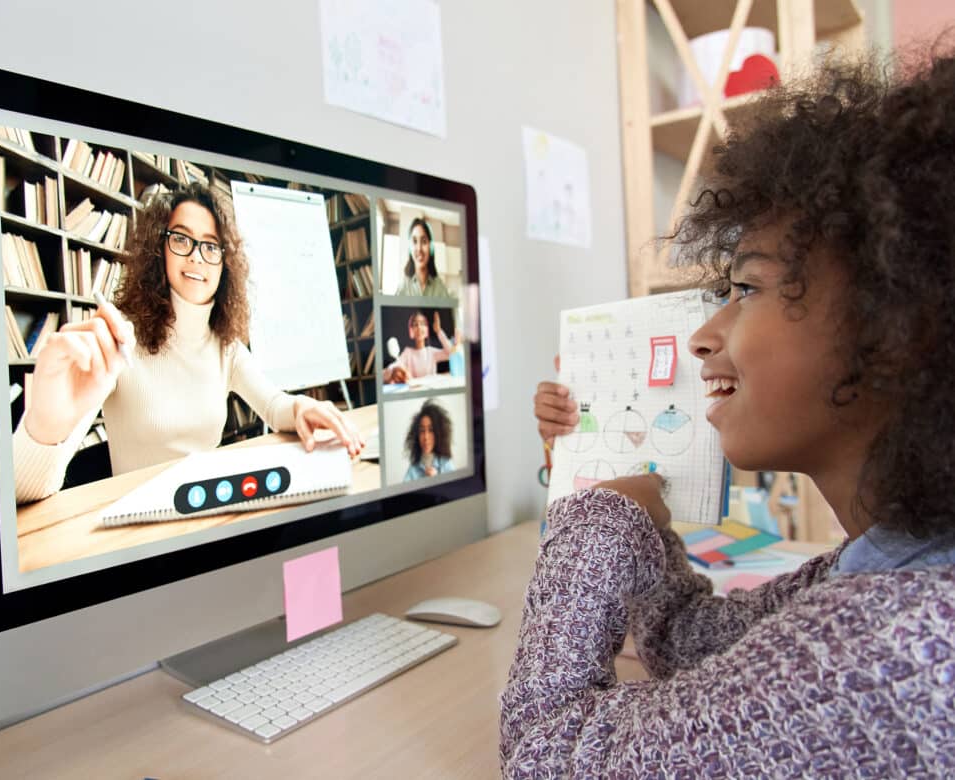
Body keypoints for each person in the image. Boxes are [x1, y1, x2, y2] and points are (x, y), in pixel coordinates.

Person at [503, 51, 955, 777]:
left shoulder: (893, 647)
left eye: (747, 287)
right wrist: (628, 514)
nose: (705, 336)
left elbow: (545, 754)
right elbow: (695, 638)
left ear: (898, 322)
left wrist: (600, 522)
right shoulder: (898, 562)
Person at [14, 183, 363, 503]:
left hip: (202, 515)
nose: (197, 256)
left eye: (211, 245)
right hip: (138, 531)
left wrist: (301, 408)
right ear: (158, 251)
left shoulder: (226, 347)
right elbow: (25, 489)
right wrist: (46, 428)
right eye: (181, 239)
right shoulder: (120, 339)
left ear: (224, 263)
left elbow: (273, 405)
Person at [383, 310, 456, 384]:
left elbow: (451, 353)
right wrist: (393, 370)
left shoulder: (431, 352)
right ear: (411, 330)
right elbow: (394, 365)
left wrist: (439, 331)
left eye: (422, 324)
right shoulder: (408, 353)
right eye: (415, 324)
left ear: (427, 329)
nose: (419, 327)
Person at [393, 217, 451, 297]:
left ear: (430, 247)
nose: (419, 248)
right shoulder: (403, 287)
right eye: (414, 241)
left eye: (424, 241)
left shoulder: (440, 288)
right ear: (410, 249)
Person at [402, 399, 454, 480]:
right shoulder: (412, 470)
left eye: (431, 430)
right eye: (422, 431)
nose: (426, 437)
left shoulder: (446, 463)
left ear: (438, 433)